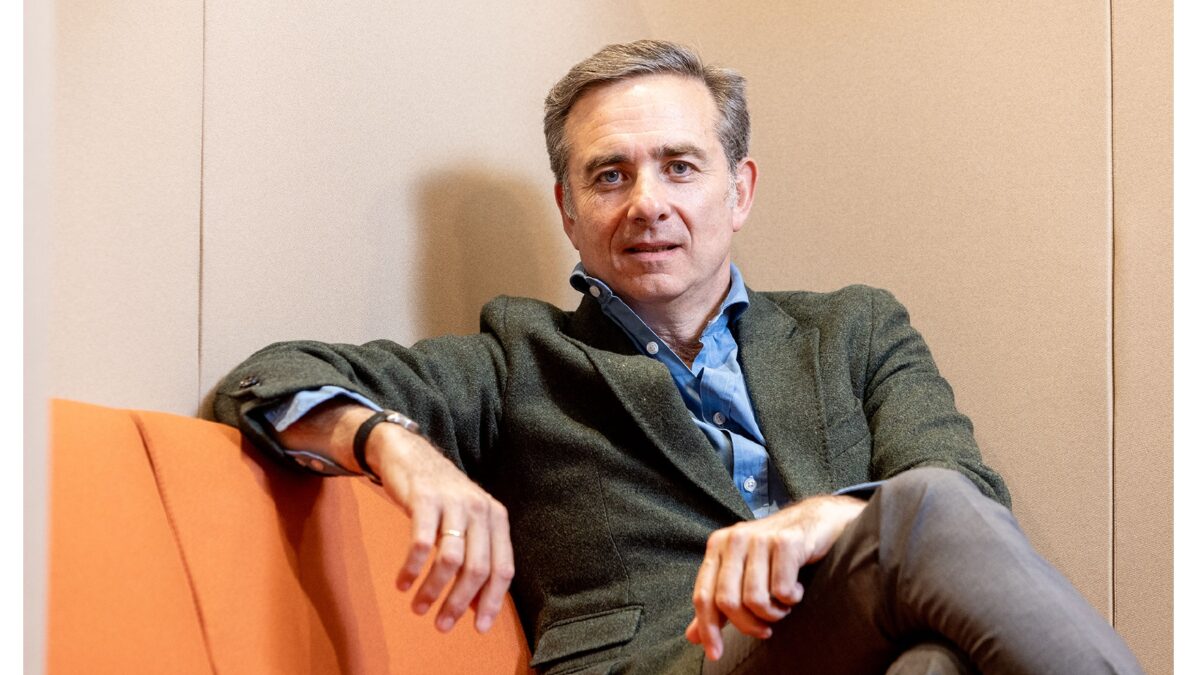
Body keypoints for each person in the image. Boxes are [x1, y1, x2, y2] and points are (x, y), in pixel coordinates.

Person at [215, 40, 1142, 674]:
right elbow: (266, 377)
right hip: (661, 660)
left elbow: (967, 494)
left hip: (847, 648)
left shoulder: (853, 329)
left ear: (738, 191)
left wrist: (822, 520)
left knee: (932, 656)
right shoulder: (517, 358)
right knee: (922, 517)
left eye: (679, 165)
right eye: (609, 174)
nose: (646, 202)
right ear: (567, 209)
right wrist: (398, 447)